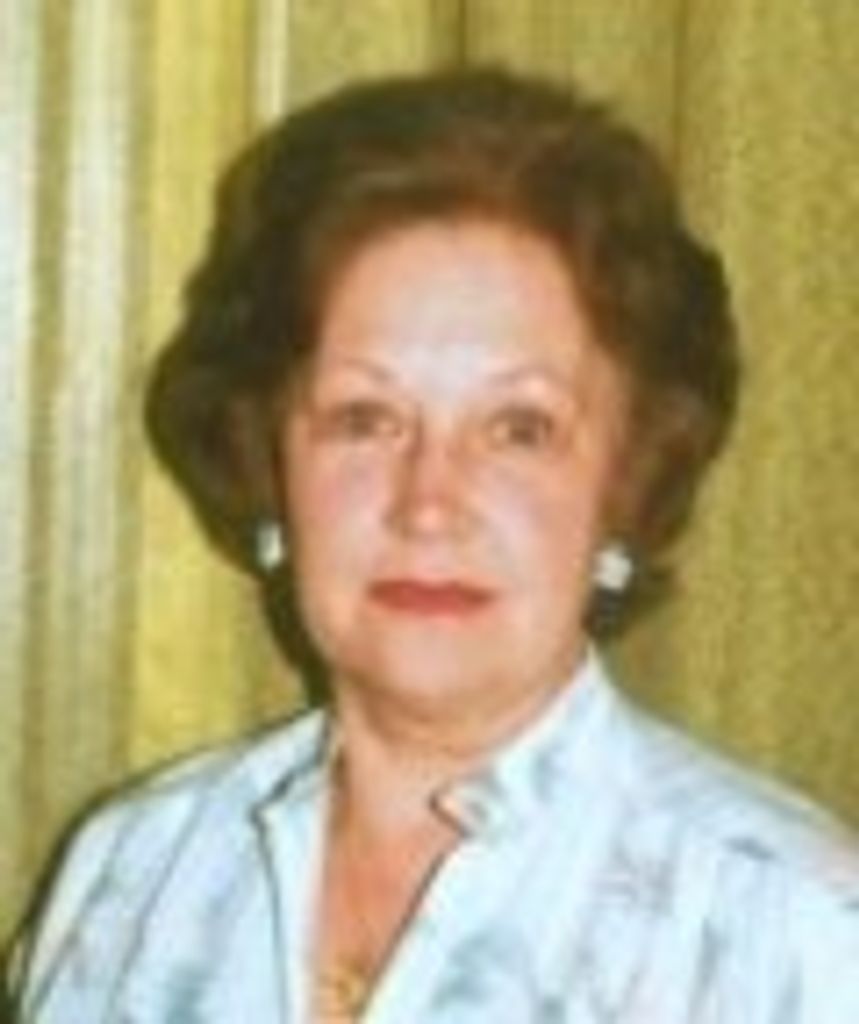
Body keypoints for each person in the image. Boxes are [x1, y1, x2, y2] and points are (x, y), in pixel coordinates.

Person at [5, 67, 859, 1024]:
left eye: (518, 430)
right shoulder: (132, 870)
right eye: (364, 419)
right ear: (270, 458)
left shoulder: (794, 928)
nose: (428, 504)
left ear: (625, 481)